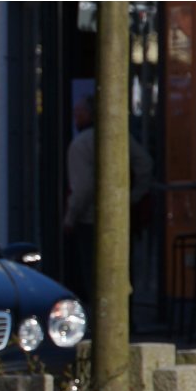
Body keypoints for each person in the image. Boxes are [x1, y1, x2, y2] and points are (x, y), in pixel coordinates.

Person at [63, 92, 152, 301]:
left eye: (78, 114)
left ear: (88, 115)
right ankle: (126, 319)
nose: (76, 119)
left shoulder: (80, 145)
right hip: (121, 218)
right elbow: (145, 164)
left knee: (93, 276)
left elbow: (83, 187)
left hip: (90, 220)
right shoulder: (119, 137)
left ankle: (101, 323)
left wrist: (70, 218)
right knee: (121, 273)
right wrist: (131, 198)